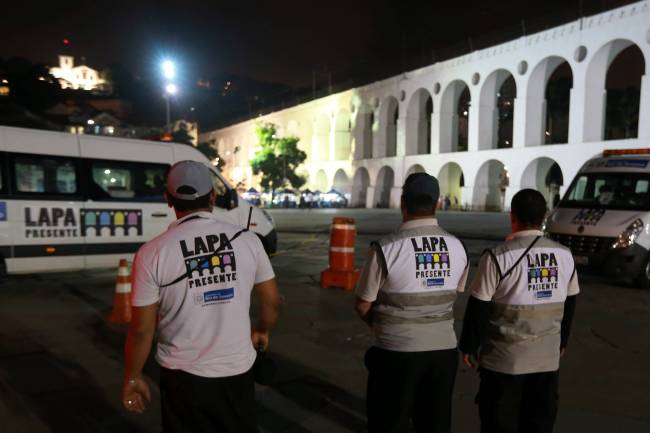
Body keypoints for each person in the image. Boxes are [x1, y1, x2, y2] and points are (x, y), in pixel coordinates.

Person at [121, 160, 280, 433]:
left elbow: (141, 330)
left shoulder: (151, 253)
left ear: (168, 199)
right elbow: (272, 301)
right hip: (237, 372)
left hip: (182, 377)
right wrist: (262, 330)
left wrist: (133, 375)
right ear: (213, 196)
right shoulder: (247, 239)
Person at [355, 172, 469, 433]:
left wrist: (384, 326)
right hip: (443, 353)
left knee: (389, 422)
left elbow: (362, 304)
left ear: (402, 203)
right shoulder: (458, 247)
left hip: (395, 352)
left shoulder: (386, 248)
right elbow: (453, 294)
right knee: (435, 423)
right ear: (437, 203)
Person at [459, 188, 579, 433]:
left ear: (512, 217)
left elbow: (479, 306)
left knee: (499, 423)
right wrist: (562, 342)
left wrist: (470, 346)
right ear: (544, 216)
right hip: (546, 362)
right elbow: (571, 301)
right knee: (538, 424)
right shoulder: (564, 255)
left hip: (504, 362)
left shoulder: (497, 257)